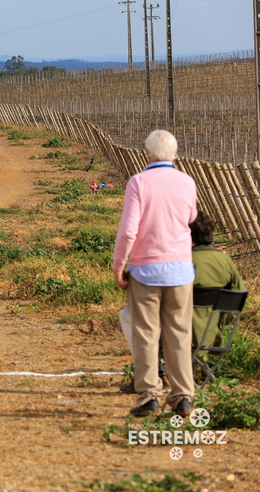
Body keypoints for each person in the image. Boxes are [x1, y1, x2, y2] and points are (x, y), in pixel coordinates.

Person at [112, 130, 197, 418]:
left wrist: (119, 264)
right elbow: (191, 219)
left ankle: (149, 396)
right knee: (179, 334)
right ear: (174, 154)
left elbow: (128, 230)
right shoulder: (187, 182)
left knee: (146, 334)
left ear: (147, 154)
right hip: (181, 270)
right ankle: (183, 395)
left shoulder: (139, 182)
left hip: (146, 269)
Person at [190, 211, 246, 349]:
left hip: (181, 337)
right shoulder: (225, 260)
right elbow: (239, 293)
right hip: (214, 339)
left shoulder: (184, 261)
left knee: (128, 314)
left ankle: (159, 366)